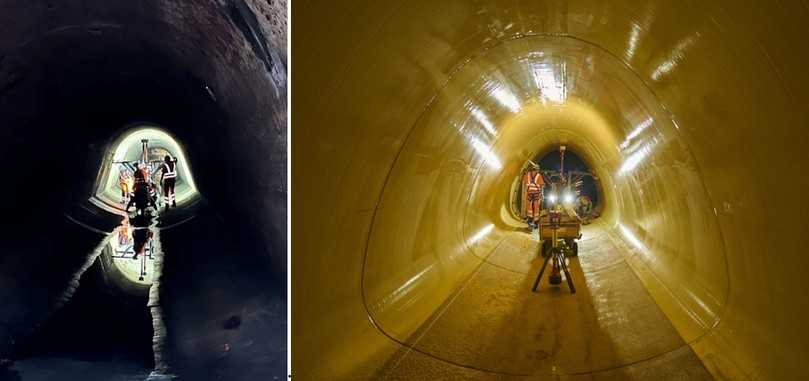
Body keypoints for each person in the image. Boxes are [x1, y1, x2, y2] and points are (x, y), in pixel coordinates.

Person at [523, 163, 545, 228]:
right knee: (536, 208)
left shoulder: (528, 175)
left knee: (529, 208)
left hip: (529, 193)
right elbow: (541, 186)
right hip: (536, 194)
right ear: (537, 169)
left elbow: (524, 182)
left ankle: (529, 221)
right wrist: (542, 195)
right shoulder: (539, 175)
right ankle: (536, 223)